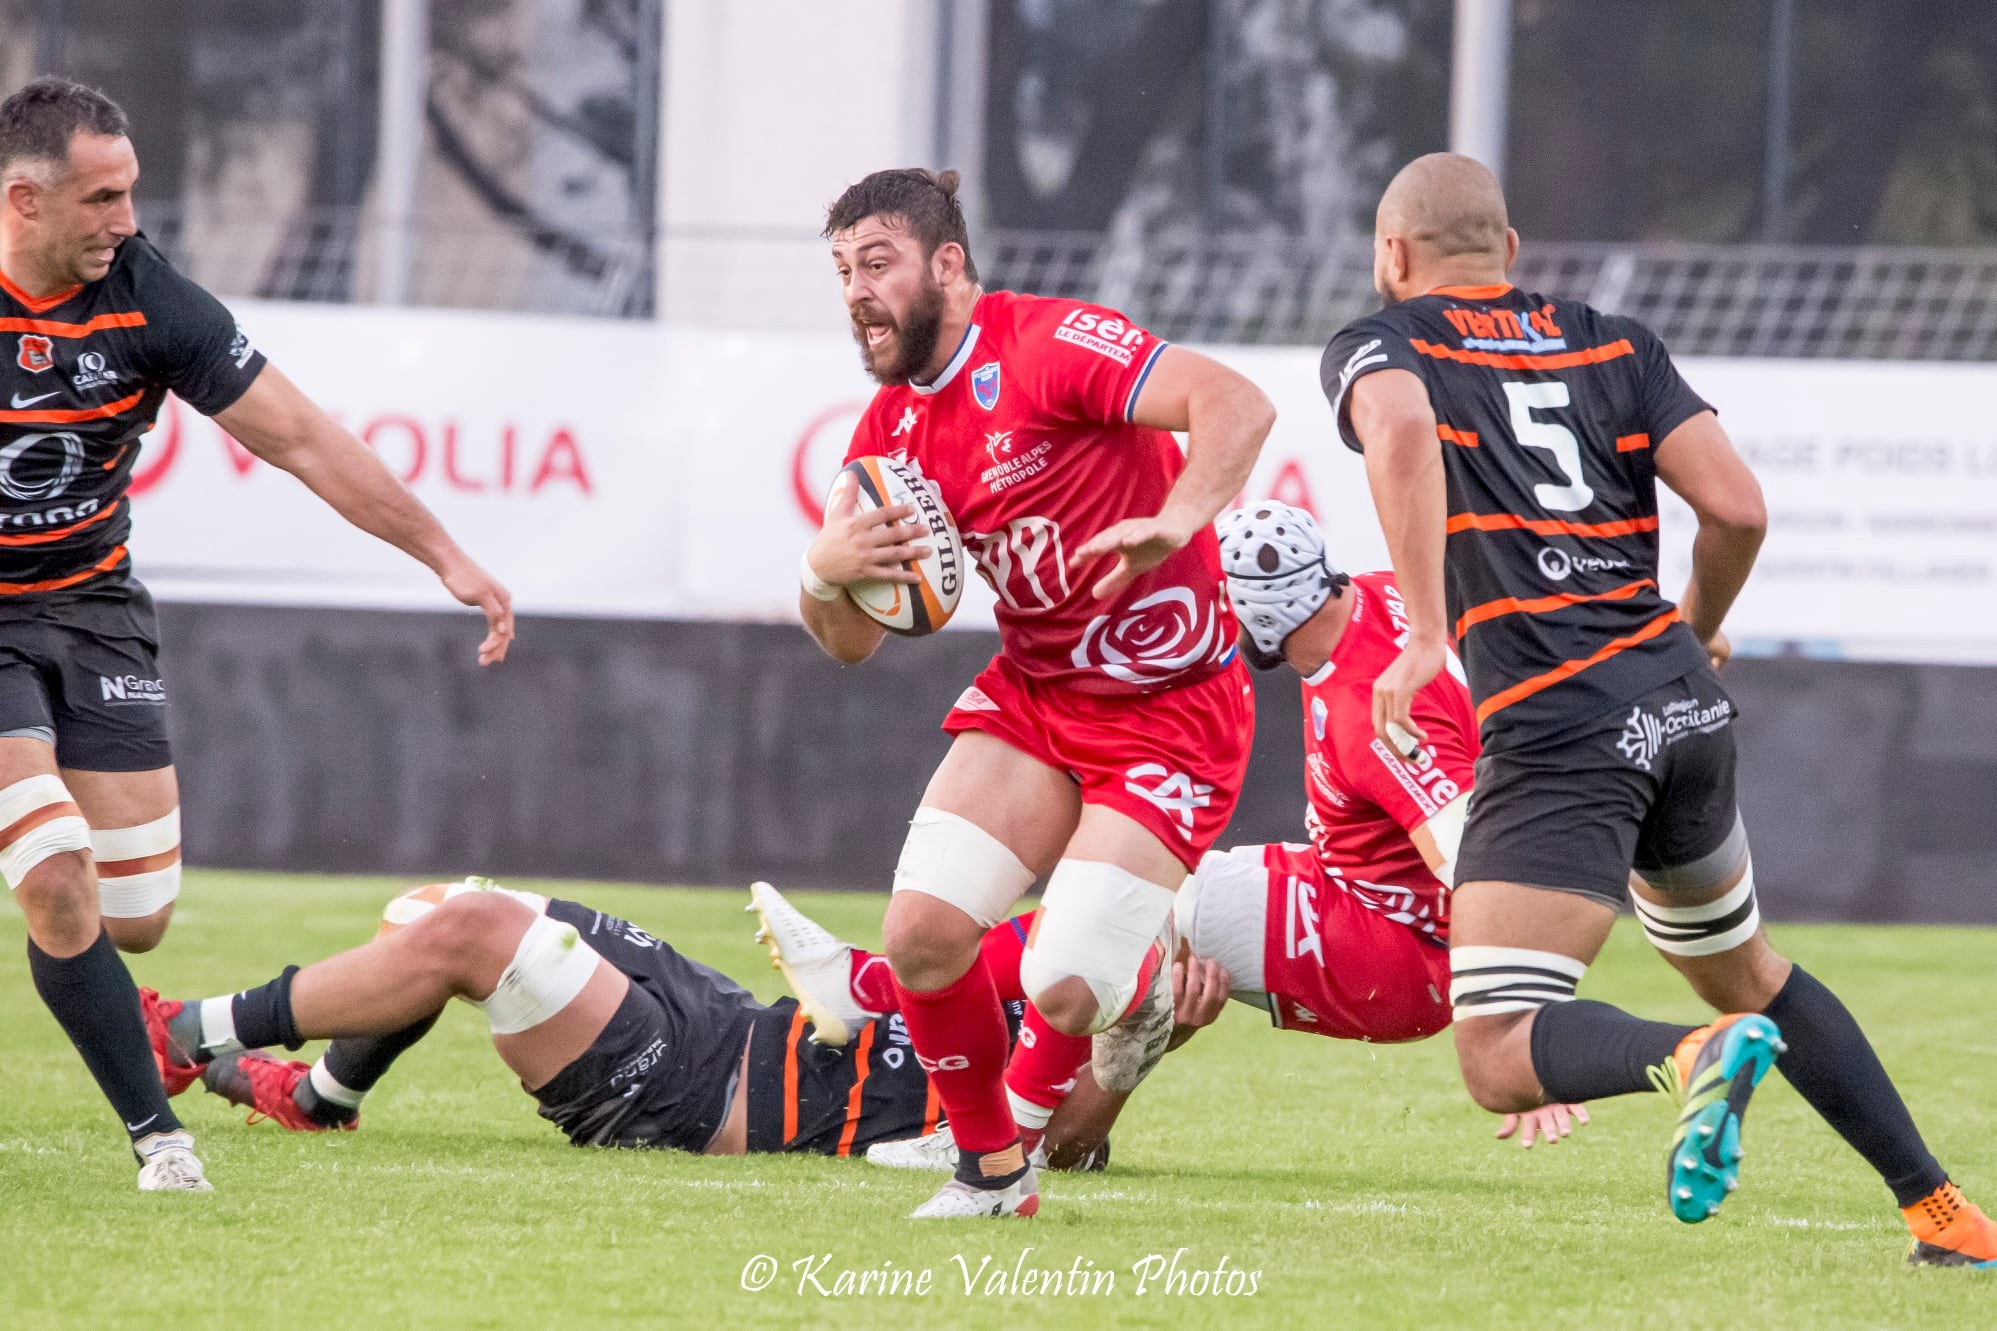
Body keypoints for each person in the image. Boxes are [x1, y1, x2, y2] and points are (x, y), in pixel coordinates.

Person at [1322, 150, 1993, 1266]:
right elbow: (1735, 509)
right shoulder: (1612, 339)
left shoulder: (1380, 342)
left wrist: (1429, 636)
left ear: (1390, 255)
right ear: (1510, 252)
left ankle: (1694, 1056)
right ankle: (1942, 1212)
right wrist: (1693, 620)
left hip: (1556, 721)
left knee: (1493, 1046)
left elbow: (1395, 432)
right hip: (1680, 707)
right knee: (1751, 965)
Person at [0, 76, 513, 1191]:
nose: (126, 218)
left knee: (133, 915)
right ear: (23, 203)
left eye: (130, 190)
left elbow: (308, 441)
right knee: (52, 871)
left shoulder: (150, 300)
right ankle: (159, 1138)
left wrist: (445, 554)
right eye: (99, 198)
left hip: (89, 611)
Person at [758, 503, 1584, 1172]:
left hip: (1397, 949)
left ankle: (989, 1121)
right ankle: (894, 1015)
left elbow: (1468, 865)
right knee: (1139, 904)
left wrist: (1518, 1025)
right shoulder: (1369, 595)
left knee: (1147, 907)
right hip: (1353, 888)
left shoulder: (1368, 719)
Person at [797, 168, 1273, 1217]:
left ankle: (1132, 970)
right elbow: (847, 644)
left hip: (1172, 708)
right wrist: (822, 570)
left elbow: (1235, 403)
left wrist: (1179, 515)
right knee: (921, 933)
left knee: (1065, 983)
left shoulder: (1046, 343)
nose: (854, 292)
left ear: (947, 264)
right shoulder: (886, 432)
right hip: (1039, 695)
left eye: (875, 263)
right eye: (840, 271)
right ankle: (993, 1173)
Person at [138, 879, 1109, 1170]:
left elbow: (1060, 1134)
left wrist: (1151, 1038)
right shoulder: (1039, 936)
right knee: (439, 905)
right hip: (728, 1017)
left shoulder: (1093, 1022)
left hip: (702, 1098)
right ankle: (320, 1096)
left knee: (472, 933)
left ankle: (185, 1034)